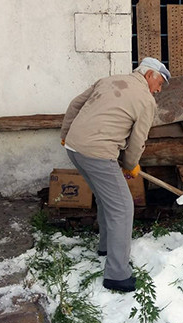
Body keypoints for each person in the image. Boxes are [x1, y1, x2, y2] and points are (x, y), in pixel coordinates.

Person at [60, 57, 171, 292]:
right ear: (149, 74)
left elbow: (74, 105)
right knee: (122, 207)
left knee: (104, 197)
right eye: (160, 83)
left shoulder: (108, 80)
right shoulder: (146, 101)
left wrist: (65, 133)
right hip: (97, 154)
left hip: (73, 147)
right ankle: (117, 274)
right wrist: (130, 165)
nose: (159, 89)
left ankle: (106, 247)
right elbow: (137, 140)